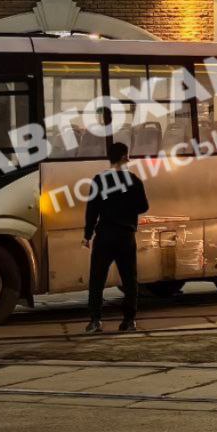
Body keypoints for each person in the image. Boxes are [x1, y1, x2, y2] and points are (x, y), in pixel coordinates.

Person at [82, 142, 148, 334]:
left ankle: (95, 321)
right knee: (129, 279)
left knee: (97, 279)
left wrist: (87, 235)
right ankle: (129, 321)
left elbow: (92, 210)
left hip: (104, 236)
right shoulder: (133, 180)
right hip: (125, 235)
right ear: (123, 158)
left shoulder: (99, 180)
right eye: (127, 156)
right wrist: (127, 207)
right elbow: (144, 206)